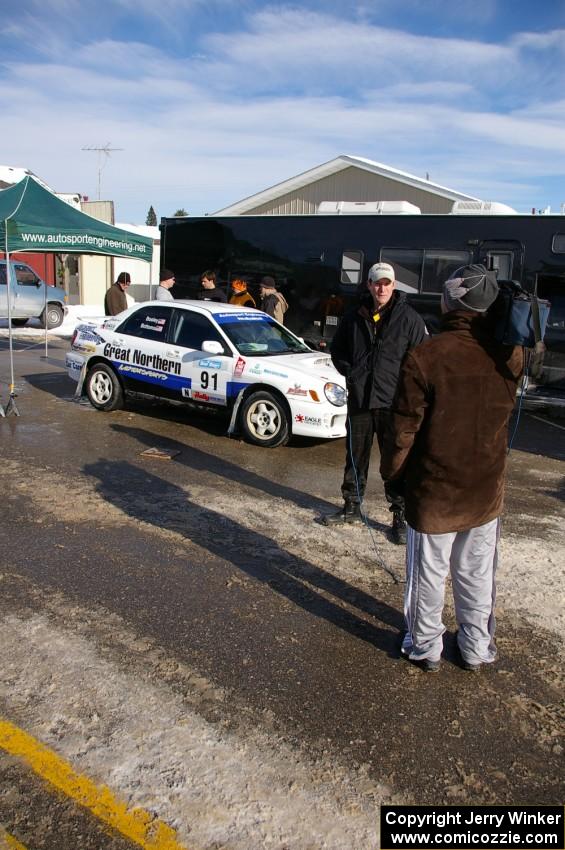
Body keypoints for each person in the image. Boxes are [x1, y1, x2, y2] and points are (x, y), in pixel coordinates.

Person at [380, 264, 523, 673]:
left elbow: (403, 430)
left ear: (452, 302)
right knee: (477, 575)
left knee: (428, 574)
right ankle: (476, 647)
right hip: (484, 492)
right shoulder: (509, 356)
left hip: (435, 494)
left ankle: (425, 646)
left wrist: (393, 475)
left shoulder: (427, 356)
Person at [324, 262, 426, 543]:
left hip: (392, 402)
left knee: (394, 460)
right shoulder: (354, 315)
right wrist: (351, 372)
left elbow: (421, 362)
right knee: (355, 456)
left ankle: (400, 515)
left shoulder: (409, 319)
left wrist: (407, 391)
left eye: (387, 283)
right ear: (369, 285)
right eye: (376, 283)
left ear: (394, 286)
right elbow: (338, 350)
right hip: (360, 399)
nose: (381, 288)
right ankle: (352, 506)